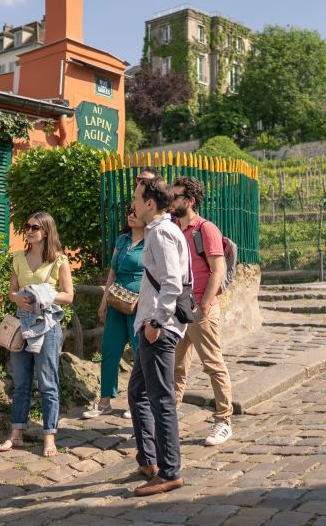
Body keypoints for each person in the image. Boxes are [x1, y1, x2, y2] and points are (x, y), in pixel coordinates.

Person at [128, 177, 189, 496]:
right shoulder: (159, 231)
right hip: (152, 326)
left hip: (158, 329)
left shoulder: (162, 233)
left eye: (137, 199)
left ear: (150, 204)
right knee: (137, 392)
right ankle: (149, 460)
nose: (133, 205)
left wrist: (155, 322)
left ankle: (169, 471)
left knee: (161, 400)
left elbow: (171, 285)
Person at [0, 211, 74, 457]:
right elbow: (12, 291)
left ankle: (49, 435)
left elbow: (69, 295)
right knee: (20, 383)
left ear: (46, 231)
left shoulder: (59, 260)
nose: (29, 231)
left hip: (48, 326)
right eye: (27, 226)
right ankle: (16, 434)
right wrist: (16, 298)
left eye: (35, 227)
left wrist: (44, 296)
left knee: (48, 383)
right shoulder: (18, 257)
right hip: (22, 325)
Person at [171, 176, 233, 446]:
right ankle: (168, 418)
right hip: (177, 307)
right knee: (175, 366)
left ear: (190, 201)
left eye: (176, 197)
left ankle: (223, 421)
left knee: (213, 364)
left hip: (200, 308)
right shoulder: (172, 227)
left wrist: (205, 304)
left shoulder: (205, 229)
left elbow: (217, 269)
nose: (171, 201)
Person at [83, 203, 144, 419]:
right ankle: (105, 401)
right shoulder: (123, 240)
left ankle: (135, 402)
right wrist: (103, 301)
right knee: (109, 350)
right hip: (117, 301)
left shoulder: (151, 241)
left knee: (139, 353)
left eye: (136, 212)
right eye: (129, 211)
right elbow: (112, 272)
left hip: (139, 304)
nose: (131, 215)